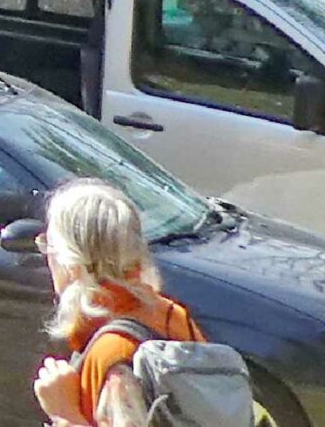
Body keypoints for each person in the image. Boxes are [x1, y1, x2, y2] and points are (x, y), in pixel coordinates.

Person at [34, 178, 208, 427]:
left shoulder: (114, 354)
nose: (47, 257)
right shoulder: (172, 315)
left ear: (71, 263)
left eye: (48, 245)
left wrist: (64, 414)